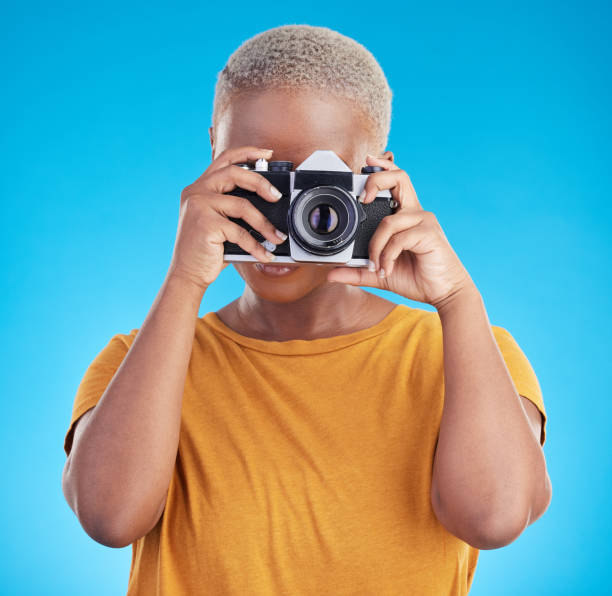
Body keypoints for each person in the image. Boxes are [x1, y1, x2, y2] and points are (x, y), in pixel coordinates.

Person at [61, 24, 551, 595]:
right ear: (213, 159)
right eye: (256, 179)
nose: (280, 219)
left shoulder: (469, 355)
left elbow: (492, 519)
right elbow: (109, 518)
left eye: (315, 187)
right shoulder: (135, 362)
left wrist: (459, 302)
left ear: (376, 178)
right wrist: (184, 279)